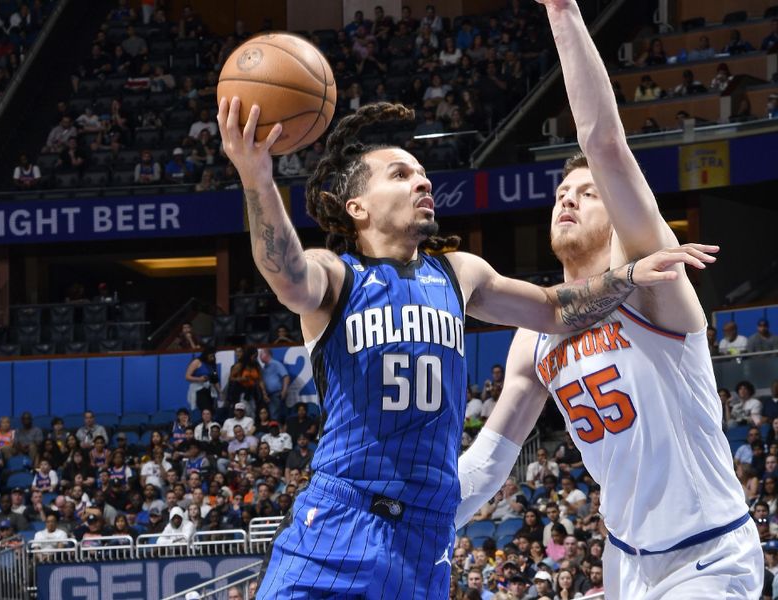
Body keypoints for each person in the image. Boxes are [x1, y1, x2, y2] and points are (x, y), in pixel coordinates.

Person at [217, 94, 710, 599]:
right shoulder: (337, 276)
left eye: (422, 174)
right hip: (342, 518)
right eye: (400, 175)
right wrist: (257, 176)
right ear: (357, 207)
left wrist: (627, 276)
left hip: (425, 536)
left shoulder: (458, 273)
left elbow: (554, 309)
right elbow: (288, 276)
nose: (422, 181)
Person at [456, 1, 761, 598]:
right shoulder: (536, 332)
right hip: (625, 561)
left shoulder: (651, 281)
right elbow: (490, 462)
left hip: (710, 553)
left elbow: (604, 141)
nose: (567, 200)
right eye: (561, 193)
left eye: (587, 193)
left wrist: (564, 12)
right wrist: (414, 520)